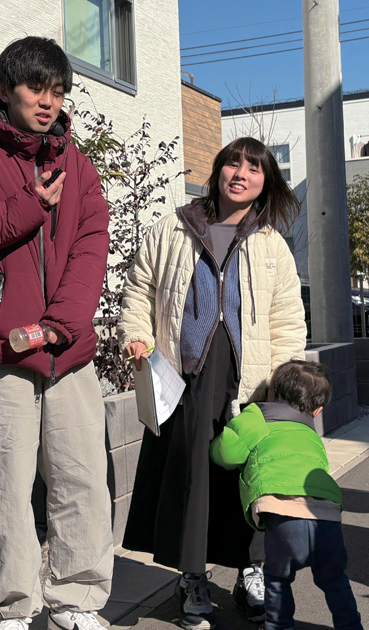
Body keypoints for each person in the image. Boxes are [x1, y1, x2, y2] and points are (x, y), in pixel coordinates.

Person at [0, 36, 113, 630]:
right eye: (37, 88)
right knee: (4, 484)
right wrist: (29, 205)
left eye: (58, 91)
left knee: (82, 479)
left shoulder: (76, 163)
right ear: (4, 89)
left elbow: (92, 244)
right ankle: (14, 606)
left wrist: (63, 324)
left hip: (69, 351)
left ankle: (76, 600)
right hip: (1, 350)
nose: (48, 102)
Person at [118, 137, 306, 629]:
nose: (241, 174)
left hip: (254, 383)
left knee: (250, 478)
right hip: (186, 378)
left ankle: (251, 571)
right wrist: (137, 337)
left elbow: (288, 318)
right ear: (218, 170)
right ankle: (193, 578)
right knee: (193, 479)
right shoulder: (174, 227)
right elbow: (139, 288)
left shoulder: (270, 242)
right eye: (233, 164)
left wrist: (286, 384)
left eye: (254, 168)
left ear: (266, 182)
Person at [209, 360, 363, 630]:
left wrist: (217, 444)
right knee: (335, 580)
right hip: (326, 514)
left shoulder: (258, 415)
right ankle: (350, 626)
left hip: (283, 514)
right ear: (317, 410)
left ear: (271, 392)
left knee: (278, 579)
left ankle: (278, 626)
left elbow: (227, 453)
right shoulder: (309, 432)